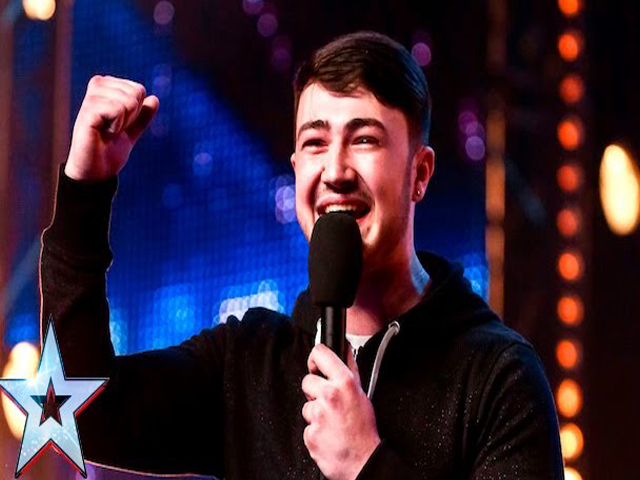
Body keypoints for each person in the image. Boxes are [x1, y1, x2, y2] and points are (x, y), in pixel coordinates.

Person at [40, 31, 564, 479]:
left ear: (419, 174)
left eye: (364, 139)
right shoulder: (248, 365)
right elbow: (84, 414)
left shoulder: (499, 378)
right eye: (315, 143)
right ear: (295, 170)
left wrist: (366, 464)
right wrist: (85, 188)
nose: (335, 171)